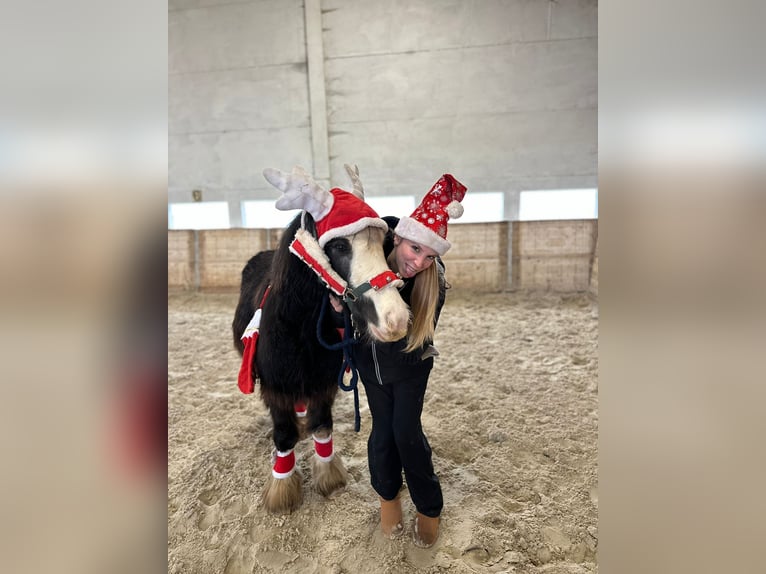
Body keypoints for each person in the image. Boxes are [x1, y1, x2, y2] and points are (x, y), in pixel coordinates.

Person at [334, 174, 467, 548]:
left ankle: (429, 509)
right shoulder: (366, 264)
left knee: (406, 434)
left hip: (409, 369)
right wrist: (342, 305)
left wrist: (367, 297)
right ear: (397, 238)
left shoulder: (431, 282)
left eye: (429, 256)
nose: (419, 262)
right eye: (413, 250)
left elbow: (396, 329)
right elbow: (348, 304)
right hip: (370, 370)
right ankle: (388, 501)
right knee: (382, 437)